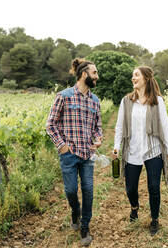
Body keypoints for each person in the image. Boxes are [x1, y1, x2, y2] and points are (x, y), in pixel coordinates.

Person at [46, 58, 102, 246]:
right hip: (68, 154)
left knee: (88, 190)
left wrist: (98, 138)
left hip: (87, 155)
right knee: (71, 191)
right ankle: (75, 212)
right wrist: (61, 145)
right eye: (94, 73)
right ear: (84, 74)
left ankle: (85, 227)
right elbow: (50, 124)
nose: (97, 76)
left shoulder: (95, 100)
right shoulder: (64, 95)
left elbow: (97, 127)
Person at [112, 66, 168, 236]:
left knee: (154, 187)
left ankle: (154, 220)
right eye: (132, 75)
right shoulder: (126, 101)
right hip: (132, 151)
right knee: (130, 188)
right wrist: (116, 147)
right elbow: (119, 126)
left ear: (145, 78)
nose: (133, 78)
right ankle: (134, 207)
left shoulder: (157, 101)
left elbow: (165, 126)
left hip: (153, 150)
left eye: (136, 75)